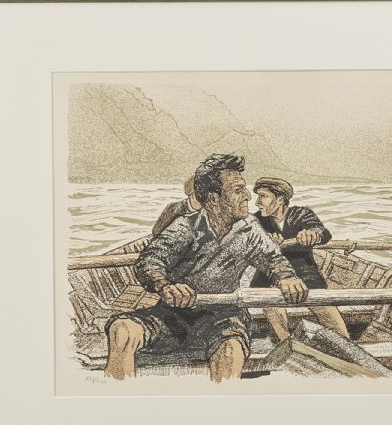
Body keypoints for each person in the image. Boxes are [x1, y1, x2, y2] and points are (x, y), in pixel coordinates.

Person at [105, 154, 308, 382]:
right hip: (174, 314)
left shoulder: (249, 228)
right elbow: (150, 260)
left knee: (230, 351)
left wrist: (287, 277)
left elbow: (272, 259)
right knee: (121, 329)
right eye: (238, 190)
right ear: (213, 198)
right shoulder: (186, 226)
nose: (247, 196)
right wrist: (165, 285)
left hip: (225, 316)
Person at [251, 177, 354, 342]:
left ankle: (345, 343)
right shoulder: (256, 220)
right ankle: (286, 344)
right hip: (269, 277)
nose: (257, 202)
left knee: (324, 307)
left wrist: (313, 234)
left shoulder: (302, 214)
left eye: (263, 196)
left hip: (306, 275)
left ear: (280, 199)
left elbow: (322, 232)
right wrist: (266, 240)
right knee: (272, 306)